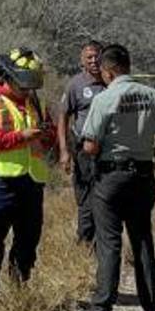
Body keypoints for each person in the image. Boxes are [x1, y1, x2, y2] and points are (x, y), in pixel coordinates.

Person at [80, 44, 155, 311]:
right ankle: (153, 309)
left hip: (111, 178)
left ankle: (103, 308)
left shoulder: (104, 99)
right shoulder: (153, 96)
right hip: (143, 177)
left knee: (109, 243)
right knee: (142, 240)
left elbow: (90, 146)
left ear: (108, 72)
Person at [0, 48, 57, 294]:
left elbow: (50, 133)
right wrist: (22, 137)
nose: (28, 90)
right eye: (24, 84)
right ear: (9, 77)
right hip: (1, 181)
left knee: (29, 237)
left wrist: (46, 135)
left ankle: (19, 287)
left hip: (32, 180)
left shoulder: (36, 102)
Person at [58, 40, 106, 245]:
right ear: (82, 60)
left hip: (109, 150)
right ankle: (85, 242)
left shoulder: (111, 81)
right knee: (86, 198)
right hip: (84, 151)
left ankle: (104, 242)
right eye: (89, 57)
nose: (94, 61)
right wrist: (64, 150)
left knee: (106, 197)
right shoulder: (75, 85)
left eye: (97, 56)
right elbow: (63, 117)